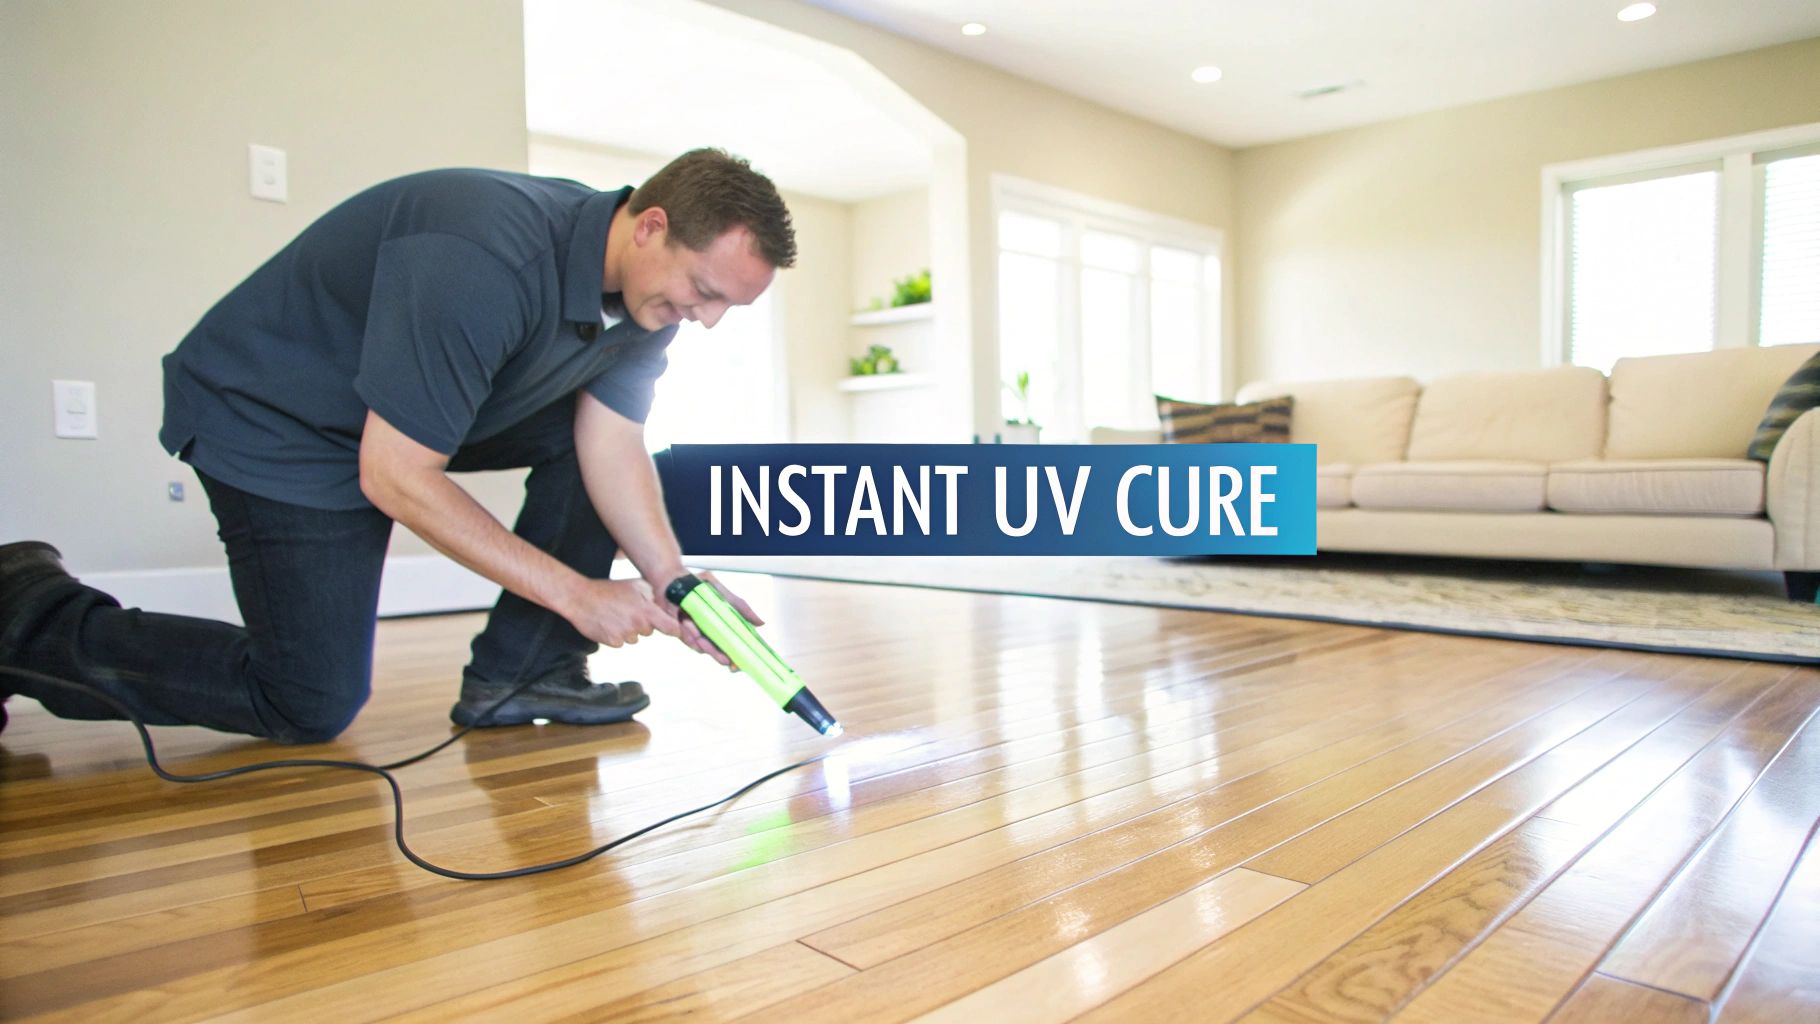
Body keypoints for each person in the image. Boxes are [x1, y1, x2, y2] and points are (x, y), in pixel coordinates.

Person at [0, 148, 795, 743]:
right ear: (651, 227)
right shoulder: (486, 253)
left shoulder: (644, 306)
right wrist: (578, 593)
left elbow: (610, 445)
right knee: (307, 701)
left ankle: (523, 674)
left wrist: (678, 583)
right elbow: (396, 474)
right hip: (277, 418)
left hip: (399, 419)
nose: (708, 318)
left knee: (589, 445)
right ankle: (21, 612)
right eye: (706, 291)